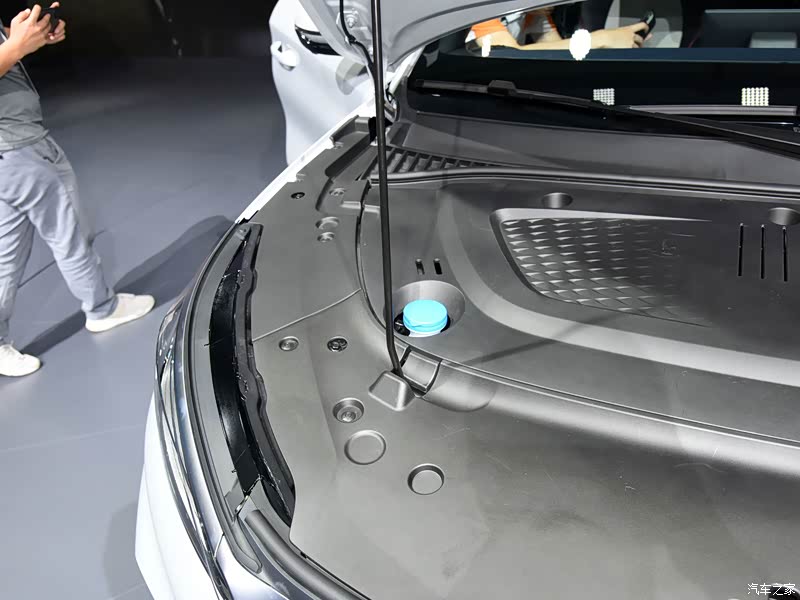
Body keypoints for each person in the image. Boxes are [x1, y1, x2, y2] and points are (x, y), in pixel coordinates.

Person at [0, 4, 155, 377]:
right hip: (19, 148)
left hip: (11, 151)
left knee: (6, 254)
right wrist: (16, 47)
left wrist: (21, 37)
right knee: (69, 233)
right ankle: (102, 308)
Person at [469, 7, 651, 52]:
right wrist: (598, 40)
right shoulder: (482, 6)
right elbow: (505, 55)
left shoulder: (535, 12)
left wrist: (613, 42)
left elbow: (557, 51)